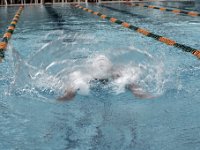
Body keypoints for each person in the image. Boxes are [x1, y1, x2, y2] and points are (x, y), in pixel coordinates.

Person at [57, 55, 153, 101]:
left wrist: (138, 92)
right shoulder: (88, 75)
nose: (101, 80)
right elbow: (74, 83)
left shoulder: (115, 74)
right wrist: (69, 93)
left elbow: (131, 84)